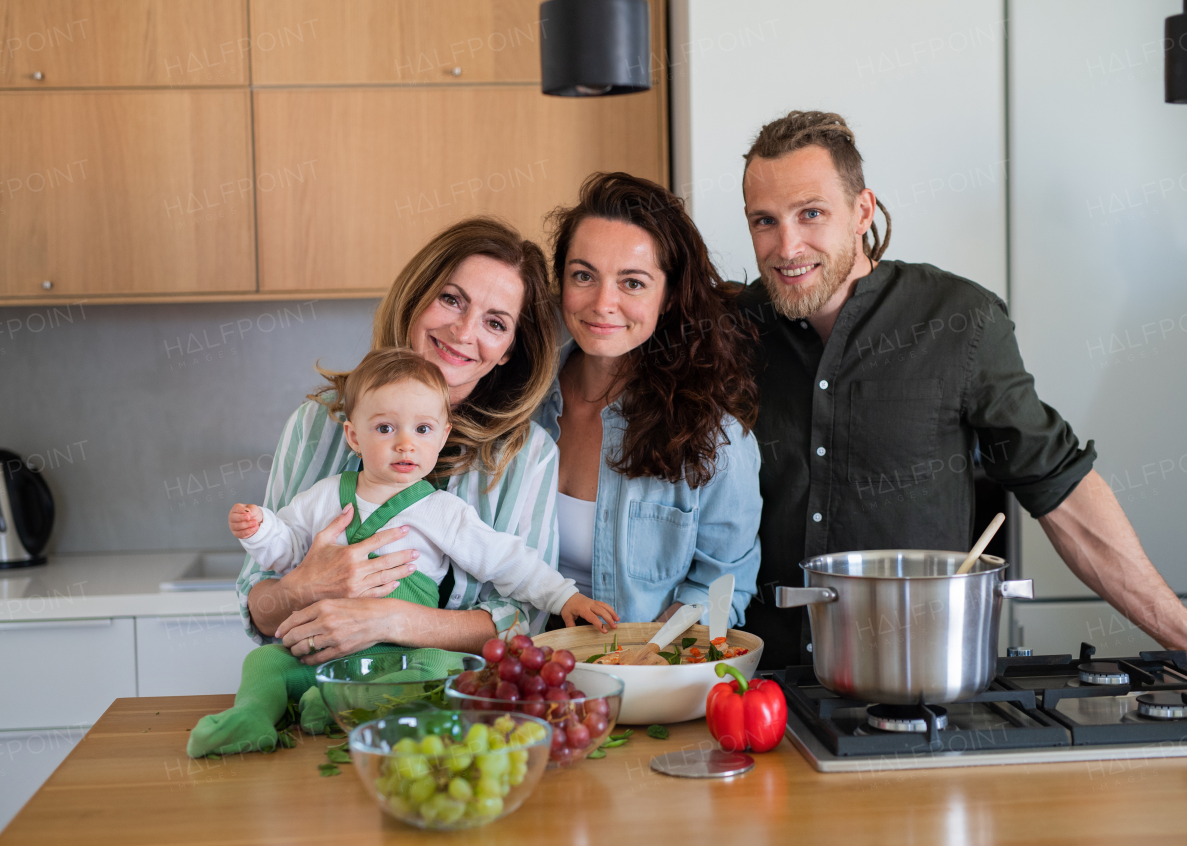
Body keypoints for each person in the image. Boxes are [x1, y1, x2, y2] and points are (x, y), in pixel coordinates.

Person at [735, 110, 1187, 670]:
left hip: (919, 681)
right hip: (758, 687)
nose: (786, 246)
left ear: (861, 211)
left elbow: (1058, 484)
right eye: (764, 221)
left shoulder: (958, 319)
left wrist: (1184, 630)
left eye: (811, 213)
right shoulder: (733, 329)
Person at [189, 350, 616, 757]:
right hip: (322, 653)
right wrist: (260, 530)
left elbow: (509, 562)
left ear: (443, 435)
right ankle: (251, 718)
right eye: (385, 429)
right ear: (354, 436)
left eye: (423, 430)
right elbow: (285, 552)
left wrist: (565, 597)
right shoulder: (324, 497)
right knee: (264, 662)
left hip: (402, 657)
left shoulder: (442, 512)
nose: (405, 444)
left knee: (439, 667)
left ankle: (340, 706)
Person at [236, 217, 564, 666]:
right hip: (325, 696)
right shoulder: (318, 424)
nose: (465, 332)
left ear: (509, 349)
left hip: (461, 708)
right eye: (451, 299)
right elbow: (260, 610)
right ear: (416, 297)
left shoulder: (527, 454)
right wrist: (304, 587)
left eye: (495, 322)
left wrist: (391, 621)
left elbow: (525, 621)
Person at [535, 172, 762, 628]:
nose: (603, 303)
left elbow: (723, 589)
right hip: (523, 678)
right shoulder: (522, 406)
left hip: (648, 683)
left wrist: (655, 656)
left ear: (670, 295)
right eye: (584, 275)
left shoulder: (715, 437)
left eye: (632, 283)